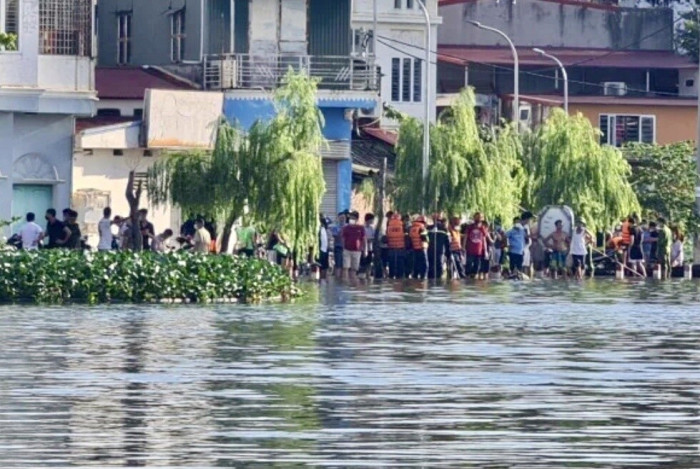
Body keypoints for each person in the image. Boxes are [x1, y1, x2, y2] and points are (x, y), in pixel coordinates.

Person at [341, 211, 366, 279]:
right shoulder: (346, 228)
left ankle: (352, 284)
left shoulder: (361, 228)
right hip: (347, 250)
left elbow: (363, 239)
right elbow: (343, 238)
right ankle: (345, 284)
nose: (351, 219)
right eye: (350, 218)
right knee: (345, 267)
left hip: (357, 251)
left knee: (354, 268)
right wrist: (343, 248)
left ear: (357, 219)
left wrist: (364, 250)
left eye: (353, 218)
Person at [463, 213, 489, 278]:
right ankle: (467, 279)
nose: (478, 219)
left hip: (479, 251)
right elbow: (465, 237)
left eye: (480, 217)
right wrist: (463, 247)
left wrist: (485, 251)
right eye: (477, 217)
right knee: (468, 266)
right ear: (474, 218)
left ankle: (473, 280)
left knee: (477, 267)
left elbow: (484, 240)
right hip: (470, 250)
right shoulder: (470, 227)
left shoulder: (482, 228)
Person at [385, 211, 406, 279]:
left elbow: (387, 234)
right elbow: (405, 234)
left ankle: (391, 275)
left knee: (391, 262)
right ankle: (399, 276)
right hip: (400, 245)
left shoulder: (389, 224)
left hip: (391, 245)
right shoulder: (402, 224)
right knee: (400, 262)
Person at [409, 215, 429, 280]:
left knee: (416, 265)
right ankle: (424, 278)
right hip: (422, 248)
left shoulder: (412, 228)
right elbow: (425, 238)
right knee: (425, 265)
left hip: (415, 249)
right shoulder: (422, 227)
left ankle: (415, 278)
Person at [331, 212, 347, 277]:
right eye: (341, 218)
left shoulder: (348, 226)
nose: (342, 219)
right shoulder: (335, 227)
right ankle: (338, 281)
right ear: (338, 218)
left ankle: (344, 281)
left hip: (347, 248)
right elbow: (336, 236)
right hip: (338, 247)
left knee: (345, 266)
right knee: (338, 265)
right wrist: (342, 231)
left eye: (344, 218)